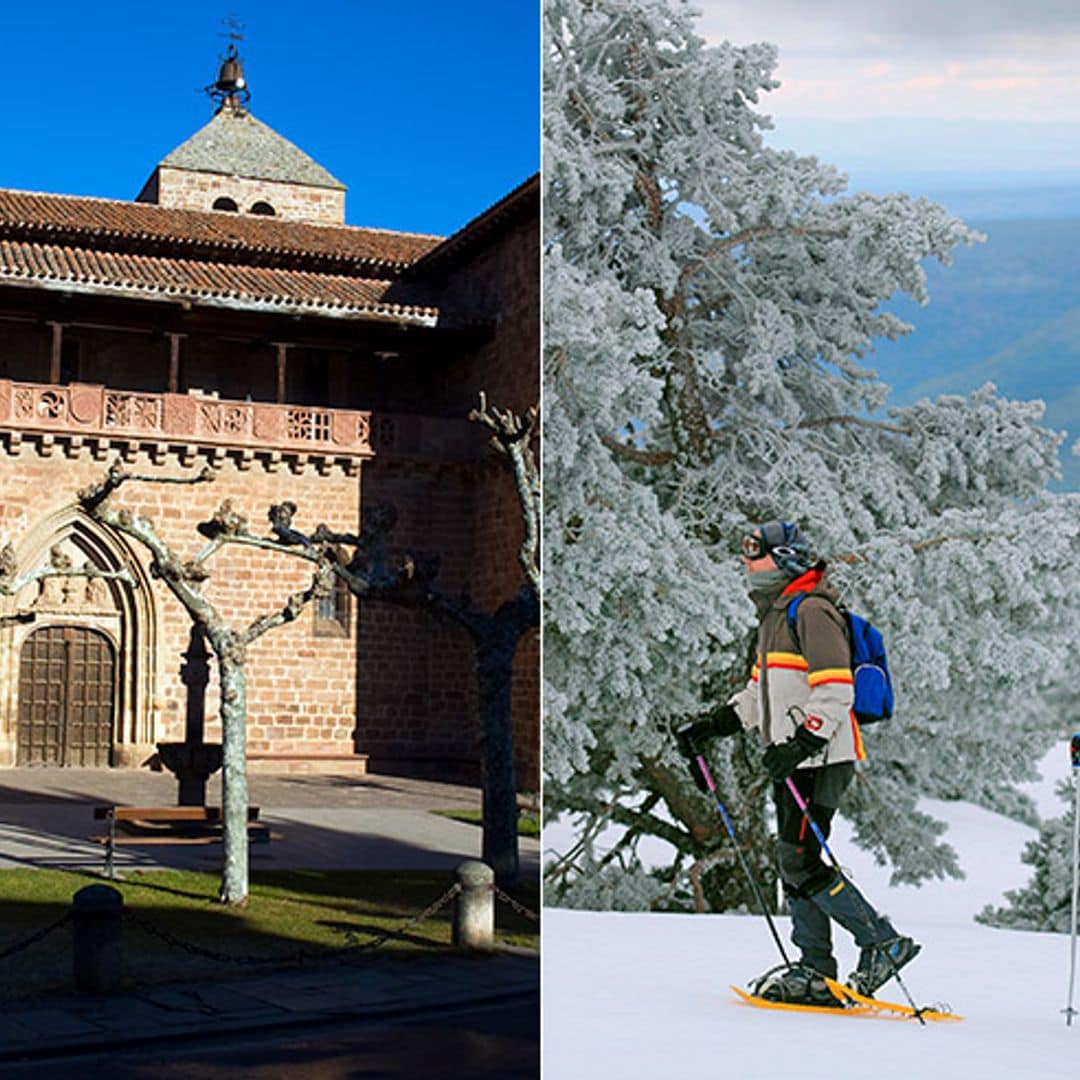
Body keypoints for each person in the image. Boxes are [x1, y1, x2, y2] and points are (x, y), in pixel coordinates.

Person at [676, 520, 919, 1006]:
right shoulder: (774, 617)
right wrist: (712, 725)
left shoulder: (812, 612)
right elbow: (757, 695)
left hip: (820, 757)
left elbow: (835, 690)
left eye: (755, 554)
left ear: (784, 559)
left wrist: (801, 745)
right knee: (794, 861)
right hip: (793, 760)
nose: (746, 562)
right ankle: (815, 970)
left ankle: (882, 943)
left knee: (803, 862)